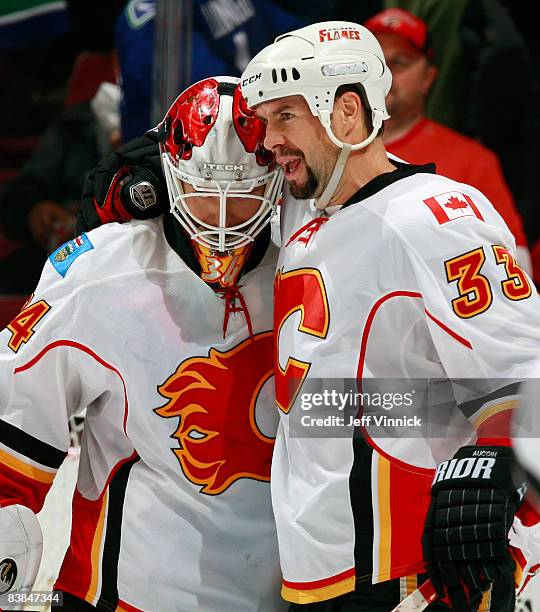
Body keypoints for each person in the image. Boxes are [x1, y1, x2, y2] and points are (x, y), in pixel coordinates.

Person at [237, 20, 540, 611]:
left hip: (415, 571)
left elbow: (525, 364)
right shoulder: (302, 214)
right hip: (316, 569)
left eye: (286, 117)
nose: (268, 140)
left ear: (347, 112)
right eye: (265, 119)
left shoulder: (431, 216)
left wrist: (495, 462)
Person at [0, 76, 286, 611]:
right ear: (167, 173)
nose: (222, 218)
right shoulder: (99, 270)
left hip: (287, 593)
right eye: (204, 190)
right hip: (125, 596)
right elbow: (11, 437)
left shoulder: (313, 262)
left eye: (244, 194)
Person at [363, 7, 531, 276]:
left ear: (428, 77)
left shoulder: (473, 161)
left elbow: (516, 263)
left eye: (400, 63)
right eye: (375, 64)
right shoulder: (328, 151)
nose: (384, 74)